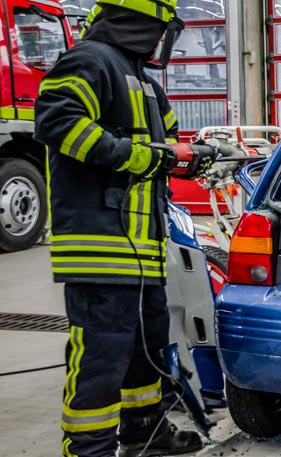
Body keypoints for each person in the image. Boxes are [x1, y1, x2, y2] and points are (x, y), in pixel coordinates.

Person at [33, 1, 208, 456]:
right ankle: (88, 448)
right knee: (101, 357)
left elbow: (167, 147)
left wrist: (188, 158)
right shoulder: (88, 61)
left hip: (143, 248)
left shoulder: (146, 83)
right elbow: (58, 123)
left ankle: (144, 433)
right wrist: (145, 156)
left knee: (145, 348)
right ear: (140, 23)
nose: (163, 41)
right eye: (161, 30)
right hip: (98, 244)